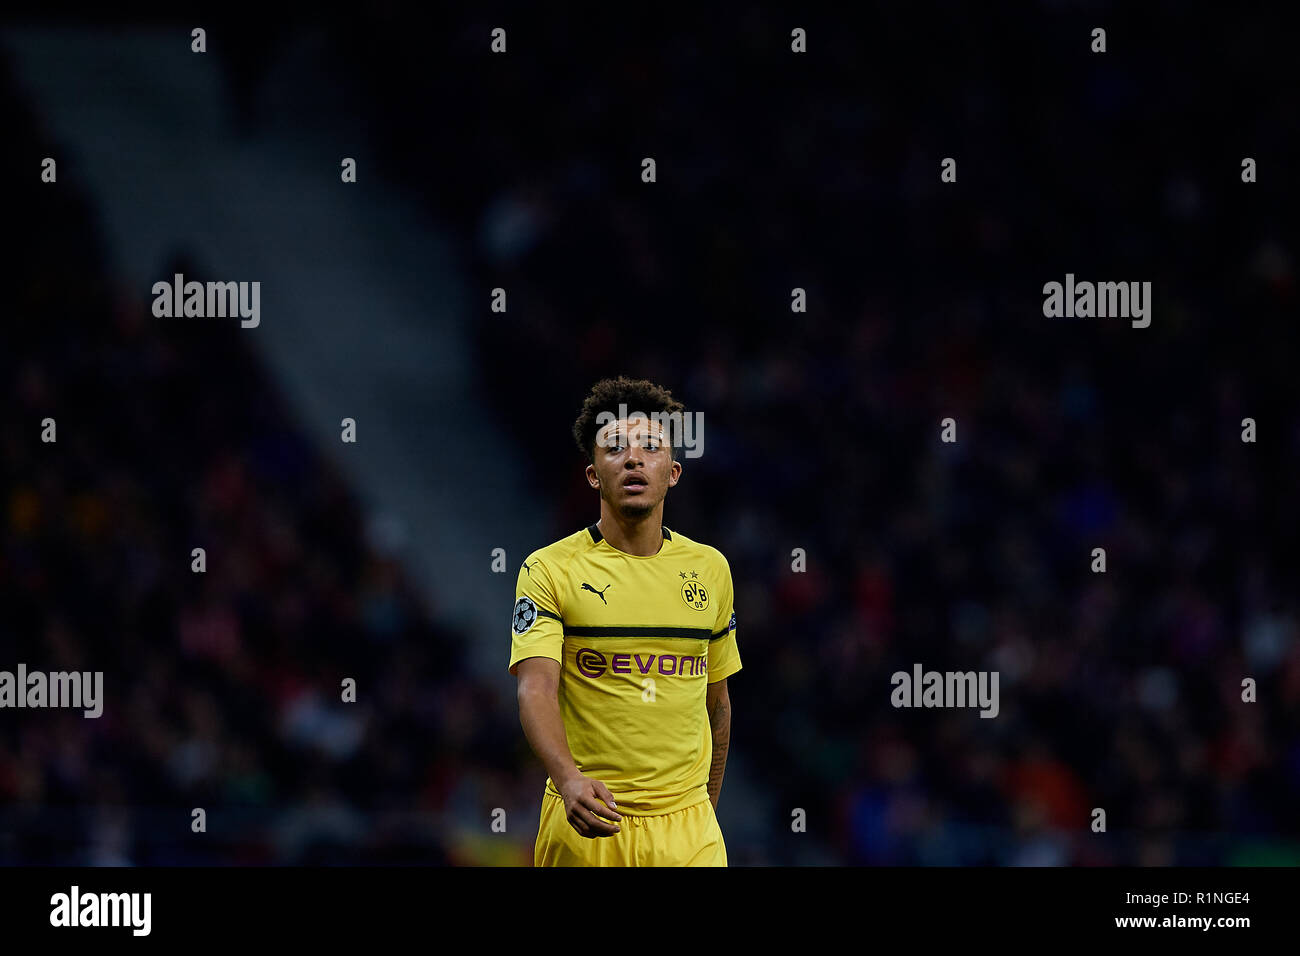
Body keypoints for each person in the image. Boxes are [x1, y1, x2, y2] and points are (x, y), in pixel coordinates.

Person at [510, 376, 741, 866]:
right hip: (587, 823)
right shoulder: (549, 569)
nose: (633, 458)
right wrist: (567, 778)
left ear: (672, 472)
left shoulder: (711, 570)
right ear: (593, 475)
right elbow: (535, 689)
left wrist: (704, 813)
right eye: (615, 448)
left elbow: (717, 703)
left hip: (688, 831)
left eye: (650, 448)